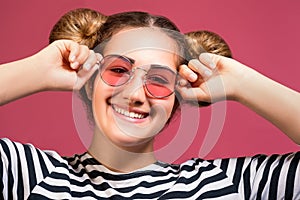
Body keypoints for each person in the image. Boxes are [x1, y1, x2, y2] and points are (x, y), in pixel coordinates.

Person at [0, 11, 300, 199]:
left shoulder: (231, 184)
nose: (135, 94)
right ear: (90, 83)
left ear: (176, 97)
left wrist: (241, 83)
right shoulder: (29, 174)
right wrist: (36, 71)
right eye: (118, 70)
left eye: (159, 78)